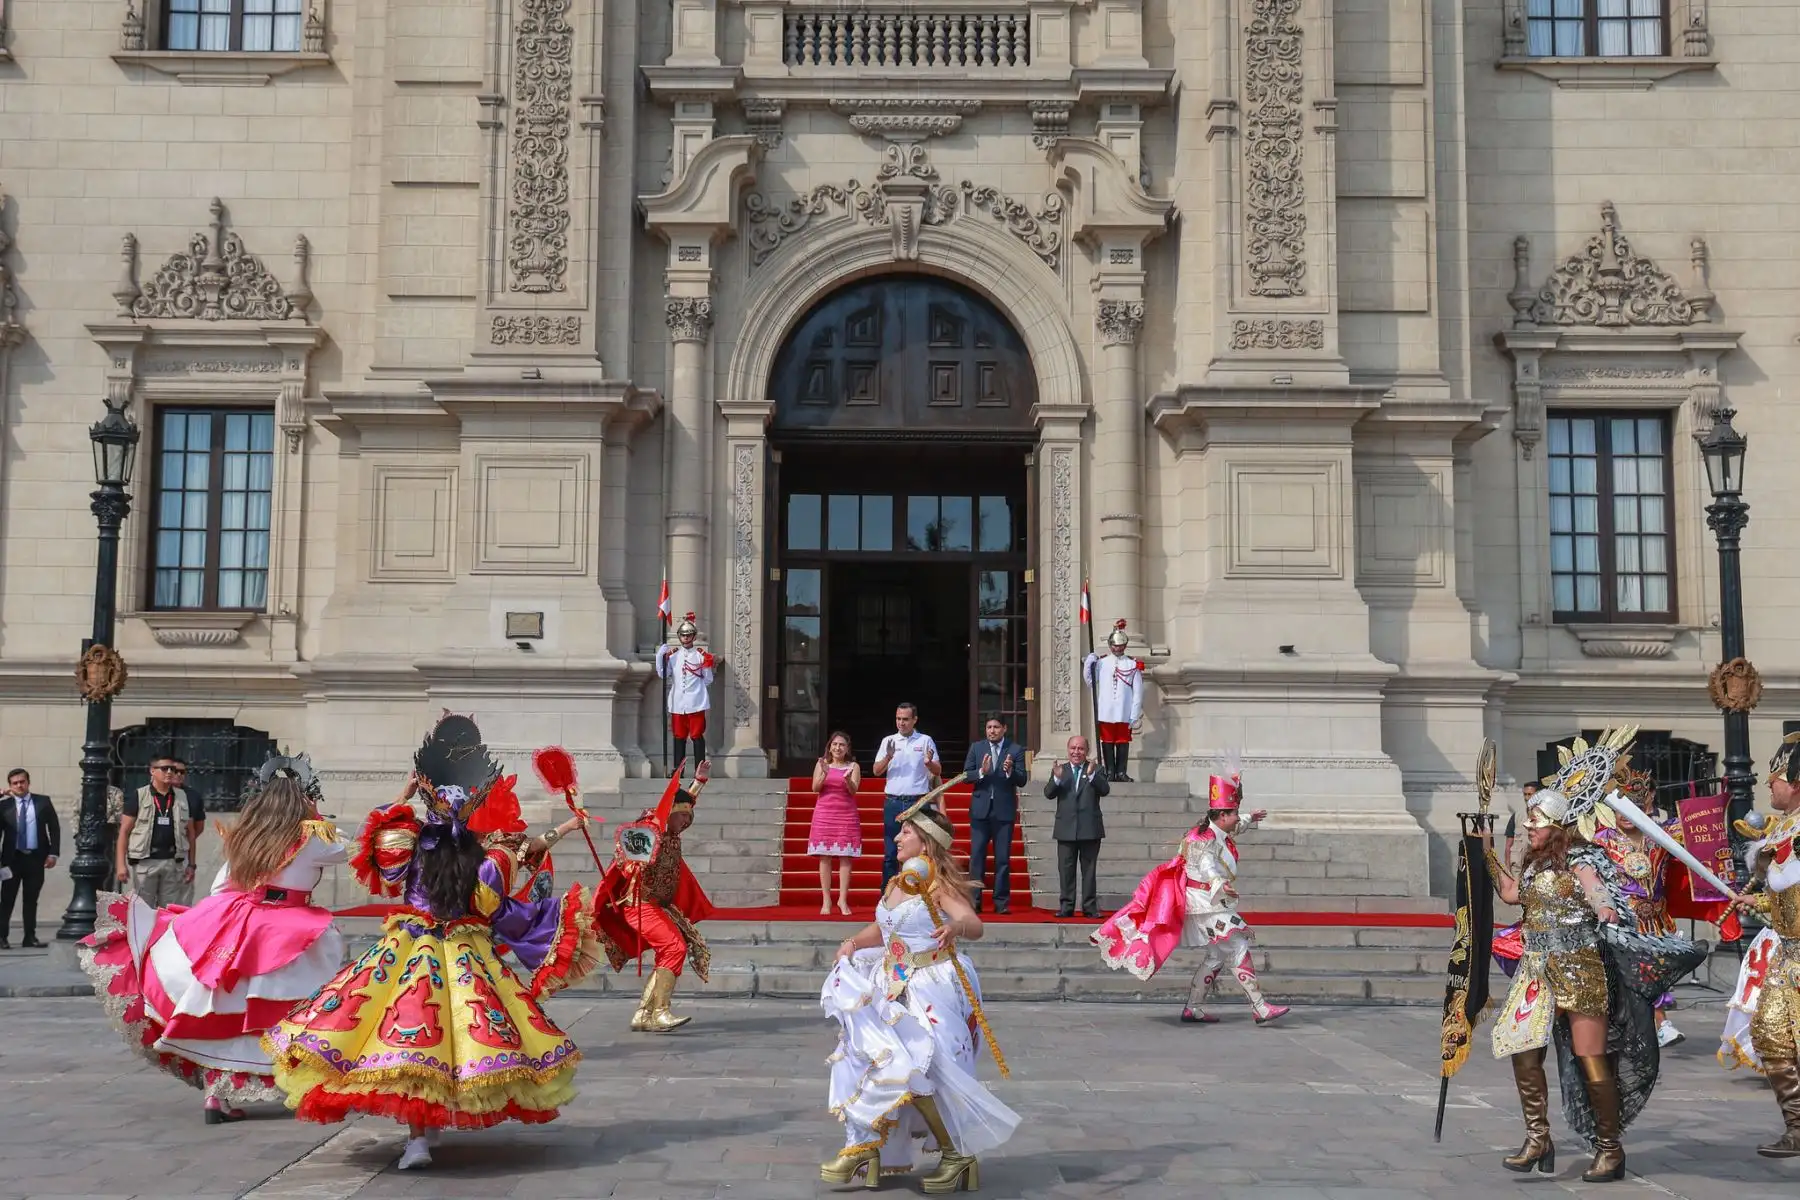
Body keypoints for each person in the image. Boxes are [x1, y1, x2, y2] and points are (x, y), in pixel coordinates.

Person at [264, 714, 600, 1171]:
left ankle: (419, 1137)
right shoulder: (488, 856)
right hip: (466, 953)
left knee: (408, 1041)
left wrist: (401, 799)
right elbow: (502, 881)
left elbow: (380, 852)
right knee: (461, 1039)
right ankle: (427, 1131)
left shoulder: (405, 841)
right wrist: (565, 828)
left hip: (408, 949)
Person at [1480, 727, 1704, 1183]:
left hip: (1581, 969)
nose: (1528, 826)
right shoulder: (1534, 863)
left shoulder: (1581, 859)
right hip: (1536, 970)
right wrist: (1483, 850)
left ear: (1558, 826)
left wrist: (1605, 911)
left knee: (1590, 1056)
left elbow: (1598, 893)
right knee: (1522, 1050)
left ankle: (1610, 1148)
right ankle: (1537, 1137)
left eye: (1536, 821)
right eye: (1528, 819)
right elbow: (1510, 895)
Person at [77, 754, 345, 1122]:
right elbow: (344, 850)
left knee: (224, 1007)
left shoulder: (246, 836)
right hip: (289, 931)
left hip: (239, 921)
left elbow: (223, 885)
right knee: (292, 1008)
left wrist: (213, 922)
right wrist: (313, 815)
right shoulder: (312, 837)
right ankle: (300, 1079)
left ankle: (216, 1095)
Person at [820, 796, 1020, 1190]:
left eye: (906, 832)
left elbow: (972, 922)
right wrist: (852, 944)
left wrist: (954, 929)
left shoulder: (937, 884)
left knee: (923, 1066)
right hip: (889, 985)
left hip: (929, 986)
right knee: (869, 1061)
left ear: (925, 843)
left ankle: (956, 1153)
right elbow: (883, 928)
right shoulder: (897, 882)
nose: (897, 838)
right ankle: (863, 1148)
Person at [1091, 771, 1289, 1025]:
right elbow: (1206, 864)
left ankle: (1193, 1007)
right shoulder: (1201, 839)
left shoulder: (1214, 829)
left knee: (1217, 955)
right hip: (1204, 903)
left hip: (1207, 900)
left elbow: (1233, 829)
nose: (1237, 818)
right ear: (1222, 816)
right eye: (1235, 813)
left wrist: (1251, 817)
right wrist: (1219, 883)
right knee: (1237, 944)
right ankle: (1260, 1007)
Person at [1721, 731, 1800, 1156]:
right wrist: (1757, 899)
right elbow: (1786, 893)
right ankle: (1797, 1128)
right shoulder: (1786, 828)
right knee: (1769, 1035)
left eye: (1777, 778)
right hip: (1786, 954)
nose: (1769, 785)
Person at [593, 762, 717, 1033]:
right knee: (674, 948)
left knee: (674, 947)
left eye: (688, 818)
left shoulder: (671, 830)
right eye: (683, 817)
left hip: (659, 905)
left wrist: (698, 783)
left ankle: (643, 1013)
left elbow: (685, 802)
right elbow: (628, 854)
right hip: (640, 903)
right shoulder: (650, 830)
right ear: (670, 813)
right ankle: (660, 1012)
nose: (686, 821)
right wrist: (635, 864)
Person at [1593, 768, 1684, 1047]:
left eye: (1634, 806)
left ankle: (1659, 1023)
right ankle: (1644, 1025)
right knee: (1624, 978)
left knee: (1652, 972)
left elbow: (1697, 835)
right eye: (1620, 807)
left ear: (1647, 805)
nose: (1625, 813)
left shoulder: (1660, 836)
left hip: (1655, 921)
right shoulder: (1601, 840)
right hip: (1620, 921)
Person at [116, 753, 206, 907]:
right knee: (143, 909)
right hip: (145, 862)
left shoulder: (183, 796)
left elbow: (191, 833)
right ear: (153, 771)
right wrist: (121, 864)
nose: (170, 772)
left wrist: (191, 864)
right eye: (165, 769)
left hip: (172, 862)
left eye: (172, 768)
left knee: (169, 910)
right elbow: (124, 831)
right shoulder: (139, 795)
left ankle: (163, 932)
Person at [962, 716, 1027, 915]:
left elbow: (1022, 779)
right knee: (977, 857)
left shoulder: (1015, 750)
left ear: (1004, 728)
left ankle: (1001, 902)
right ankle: (974, 900)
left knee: (1002, 859)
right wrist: (982, 771)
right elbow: (966, 775)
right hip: (981, 811)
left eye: (996, 727)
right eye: (989, 727)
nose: (992, 731)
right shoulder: (977, 748)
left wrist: (1009, 772)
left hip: (1003, 812)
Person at [874, 703, 940, 889]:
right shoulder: (888, 740)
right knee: (891, 853)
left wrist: (929, 763)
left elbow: (938, 769)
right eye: (898, 719)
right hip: (894, 802)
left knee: (922, 851)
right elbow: (876, 771)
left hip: (918, 802)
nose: (901, 723)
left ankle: (922, 895)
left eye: (905, 719)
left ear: (914, 720)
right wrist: (888, 757)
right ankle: (888, 896)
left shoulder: (925, 740)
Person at [1044, 736, 1108, 918]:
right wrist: (1056, 779)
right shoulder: (1060, 770)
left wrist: (1092, 775)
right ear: (1068, 749)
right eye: (1073, 748)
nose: (1076, 752)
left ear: (1086, 751)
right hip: (1065, 828)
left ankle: (1089, 906)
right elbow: (1048, 793)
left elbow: (1105, 790)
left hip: (1090, 828)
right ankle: (1066, 906)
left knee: (1089, 870)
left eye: (1080, 749)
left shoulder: (1097, 769)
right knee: (1066, 870)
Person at [0, 769, 58, 949]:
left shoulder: (43, 802)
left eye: (22, 781)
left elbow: (54, 828)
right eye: (15, 783)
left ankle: (29, 937)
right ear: (10, 786)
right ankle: (2, 937)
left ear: (28, 782)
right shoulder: (4, 805)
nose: (19, 785)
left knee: (31, 899)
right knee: (6, 900)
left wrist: (53, 853)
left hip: (36, 859)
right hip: (11, 860)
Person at [807, 732, 862, 916]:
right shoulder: (822, 764)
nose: (838, 748)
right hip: (824, 813)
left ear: (847, 748)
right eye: (835, 744)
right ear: (830, 746)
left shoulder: (853, 766)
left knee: (846, 857)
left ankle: (843, 899)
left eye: (842, 745)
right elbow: (815, 788)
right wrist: (823, 773)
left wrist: (847, 780)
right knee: (825, 857)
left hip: (846, 814)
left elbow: (854, 790)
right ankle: (826, 900)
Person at [1083, 619, 1145, 782]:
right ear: (1110, 646)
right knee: (1108, 741)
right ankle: (1109, 771)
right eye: (1114, 645)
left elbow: (1138, 691)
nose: (1117, 648)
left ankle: (1121, 772)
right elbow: (1090, 682)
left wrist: (1135, 713)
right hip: (1106, 710)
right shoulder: (1102, 663)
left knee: (1123, 742)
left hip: (1124, 711)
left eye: (1120, 645)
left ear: (1124, 646)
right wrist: (1089, 663)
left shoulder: (1132, 664)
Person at [656, 612, 717, 772]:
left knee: (696, 735)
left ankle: (699, 770)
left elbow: (708, 679)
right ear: (679, 637)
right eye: (683, 635)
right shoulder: (673, 656)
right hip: (678, 702)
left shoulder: (701, 656)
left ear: (694, 637)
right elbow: (663, 674)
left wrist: (705, 671)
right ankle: (678, 770)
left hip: (696, 701)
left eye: (689, 635)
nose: (686, 638)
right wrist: (660, 657)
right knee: (679, 736)